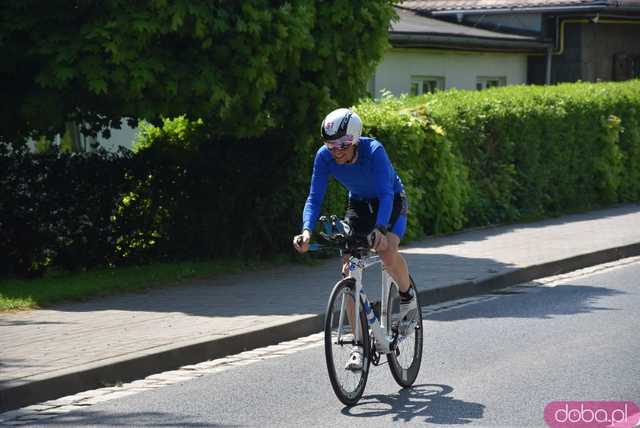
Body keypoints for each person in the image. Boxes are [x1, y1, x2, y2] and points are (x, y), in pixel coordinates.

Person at [293, 108, 418, 371]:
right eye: (330, 144)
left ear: (355, 139)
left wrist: (381, 229)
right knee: (349, 271)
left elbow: (385, 193)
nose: (336, 151)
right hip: (359, 204)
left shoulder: (374, 152)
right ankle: (359, 346)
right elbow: (314, 197)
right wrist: (306, 231)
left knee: (386, 252)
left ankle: (407, 296)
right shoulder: (324, 157)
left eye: (342, 144)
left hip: (390, 201)